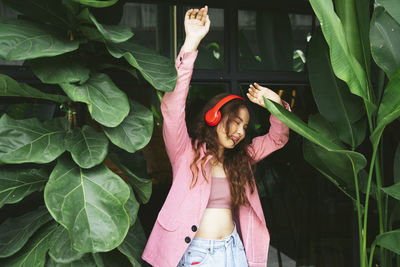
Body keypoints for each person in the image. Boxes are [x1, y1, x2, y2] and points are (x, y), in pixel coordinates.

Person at [142, 6, 291, 267]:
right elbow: (172, 107)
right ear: (214, 117)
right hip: (198, 255)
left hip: (234, 250)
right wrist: (190, 42)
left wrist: (275, 104)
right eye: (235, 122)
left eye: (245, 127)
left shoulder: (242, 158)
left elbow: (278, 137)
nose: (240, 132)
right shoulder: (185, 152)